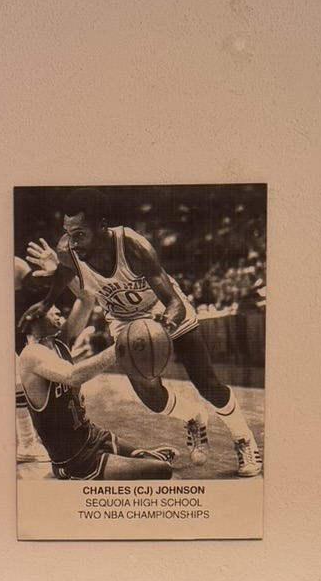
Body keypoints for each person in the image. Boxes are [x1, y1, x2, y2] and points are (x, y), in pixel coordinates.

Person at [25, 189, 262, 475]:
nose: (73, 242)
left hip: (163, 310)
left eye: (80, 234)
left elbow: (173, 301)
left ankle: (244, 440)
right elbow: (65, 273)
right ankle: (194, 416)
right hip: (123, 320)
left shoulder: (133, 247)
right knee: (152, 399)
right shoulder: (68, 251)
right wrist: (46, 302)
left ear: (101, 225)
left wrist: (160, 326)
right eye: (68, 233)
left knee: (207, 383)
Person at [16, 301, 180, 479]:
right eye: (51, 309)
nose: (58, 313)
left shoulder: (59, 343)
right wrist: (123, 345)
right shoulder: (30, 354)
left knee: (157, 463)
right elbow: (72, 376)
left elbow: (86, 300)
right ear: (32, 316)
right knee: (163, 470)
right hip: (77, 459)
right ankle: (140, 459)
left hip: (94, 436)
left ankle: (142, 456)